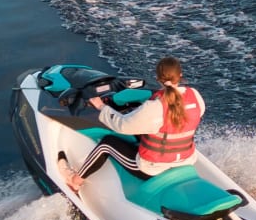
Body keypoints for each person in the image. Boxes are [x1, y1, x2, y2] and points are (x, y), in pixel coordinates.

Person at [62, 56, 205, 193]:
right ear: (180, 75)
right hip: (186, 160)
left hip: (152, 168)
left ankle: (75, 181)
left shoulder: (154, 106)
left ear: (158, 79)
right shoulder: (195, 96)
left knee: (107, 144)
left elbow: (122, 125)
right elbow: (177, 119)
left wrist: (101, 107)